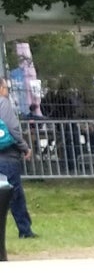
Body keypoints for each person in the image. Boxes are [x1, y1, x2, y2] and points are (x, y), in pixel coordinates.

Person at [0, 82, 35, 249]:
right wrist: (24, 147)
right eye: (6, 87)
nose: (7, 91)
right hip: (7, 156)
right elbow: (12, 129)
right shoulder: (3, 103)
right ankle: (24, 229)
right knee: (14, 195)